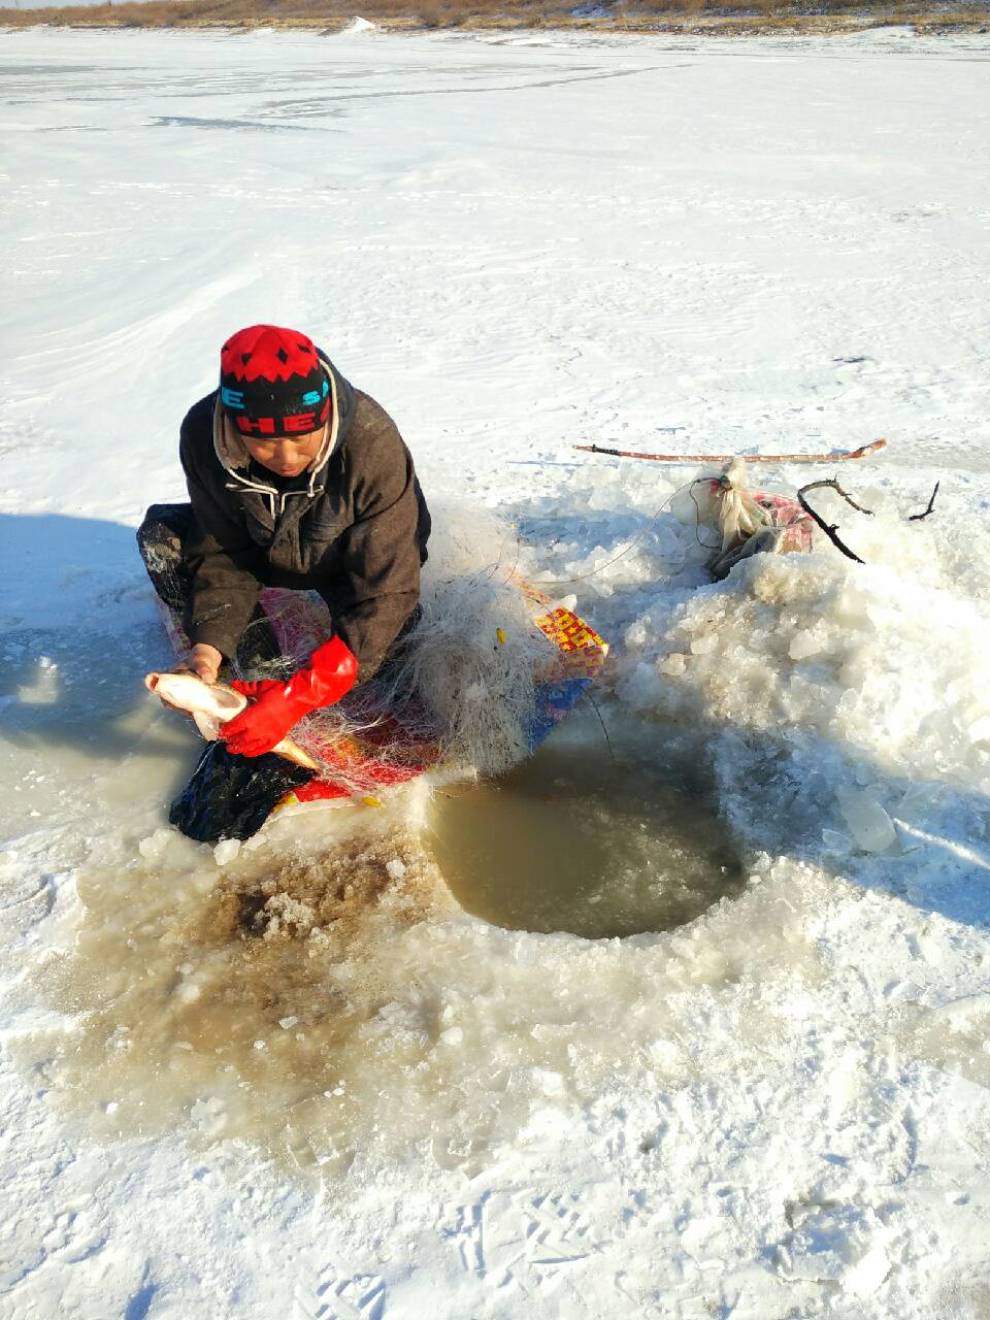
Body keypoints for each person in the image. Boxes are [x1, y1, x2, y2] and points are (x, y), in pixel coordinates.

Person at [138, 323, 431, 760]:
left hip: (348, 559)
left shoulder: (371, 441)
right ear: (236, 426)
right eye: (264, 443)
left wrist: (306, 691)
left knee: (387, 666)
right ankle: (249, 686)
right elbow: (222, 549)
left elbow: (388, 588)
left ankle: (294, 694)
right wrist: (208, 646)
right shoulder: (203, 434)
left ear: (324, 414)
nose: (287, 457)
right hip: (262, 547)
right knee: (162, 537)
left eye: (300, 437)